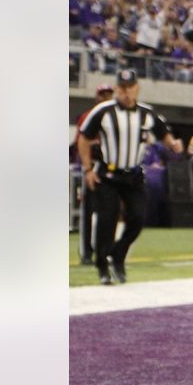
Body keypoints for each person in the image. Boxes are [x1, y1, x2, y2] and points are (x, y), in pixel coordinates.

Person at [77, 69, 169, 285]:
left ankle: (118, 255)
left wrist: (172, 143)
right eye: (122, 88)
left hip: (133, 175)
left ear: (137, 88)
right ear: (118, 89)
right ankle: (102, 266)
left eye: (130, 88)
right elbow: (84, 138)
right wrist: (88, 169)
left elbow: (164, 133)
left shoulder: (147, 113)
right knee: (106, 220)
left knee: (137, 218)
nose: (126, 92)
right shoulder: (103, 111)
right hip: (107, 174)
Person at [75, 83, 113, 266]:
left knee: (107, 211)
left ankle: (103, 251)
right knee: (88, 211)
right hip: (92, 166)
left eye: (108, 94)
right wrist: (86, 166)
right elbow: (81, 142)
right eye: (102, 94)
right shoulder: (87, 117)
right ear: (97, 96)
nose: (106, 97)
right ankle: (86, 252)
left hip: (110, 168)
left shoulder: (115, 117)